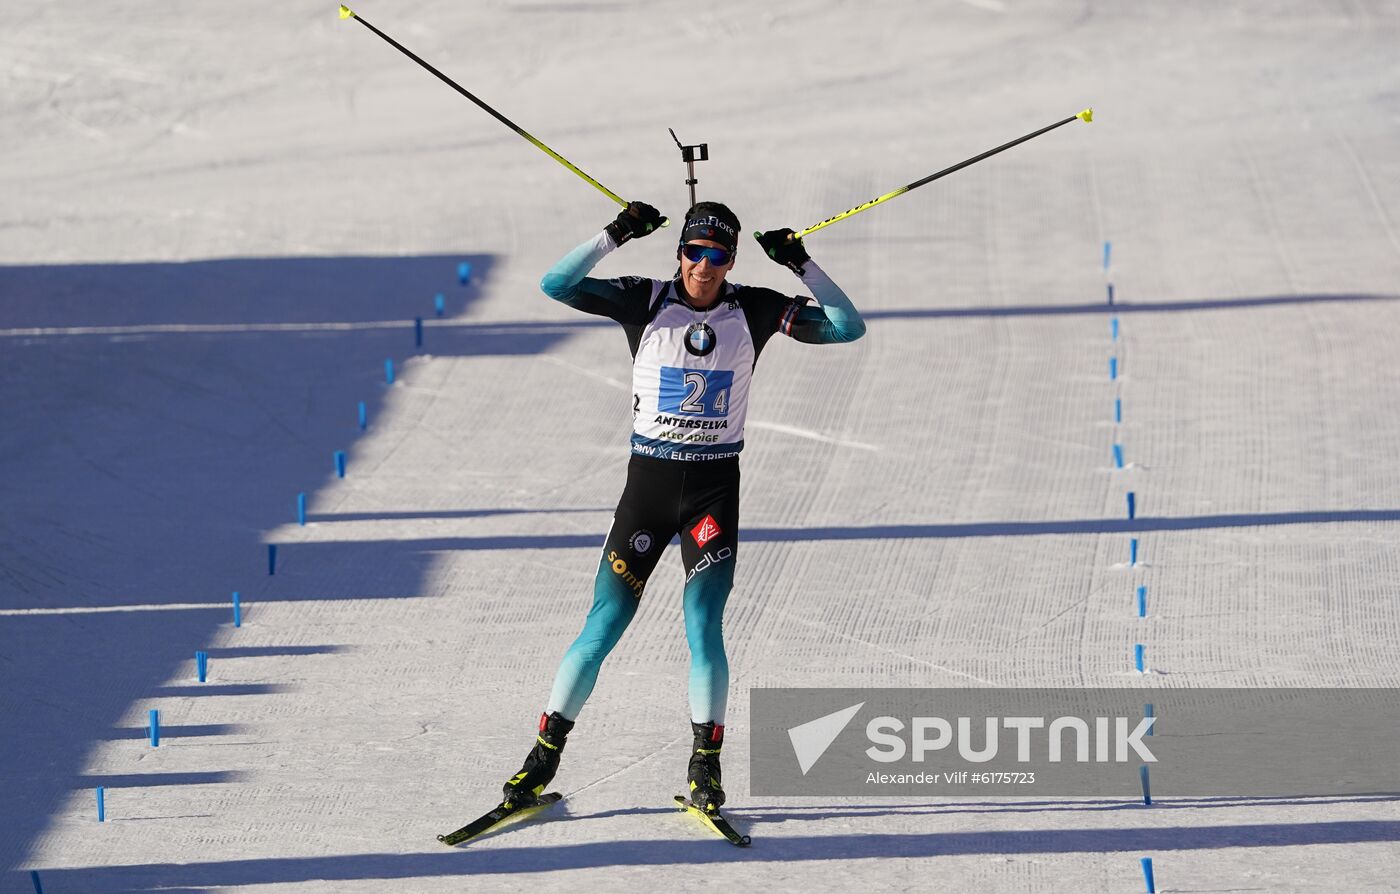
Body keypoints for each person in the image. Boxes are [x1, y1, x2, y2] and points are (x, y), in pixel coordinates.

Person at [499, 199, 865, 814]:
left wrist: (800, 263)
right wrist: (615, 233)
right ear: (680, 253)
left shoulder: (753, 307)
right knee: (603, 625)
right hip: (649, 488)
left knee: (703, 627)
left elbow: (847, 326)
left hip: (712, 493)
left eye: (718, 255)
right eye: (695, 252)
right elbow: (554, 284)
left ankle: (705, 767)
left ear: (731, 261)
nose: (704, 265)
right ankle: (541, 758)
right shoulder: (643, 299)